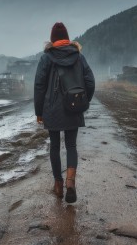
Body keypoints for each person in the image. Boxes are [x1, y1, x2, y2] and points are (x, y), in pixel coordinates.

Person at [34, 22, 95, 203]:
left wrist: (39, 111)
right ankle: (71, 183)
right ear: (67, 38)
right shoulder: (78, 56)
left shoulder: (46, 58)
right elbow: (90, 82)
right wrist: (84, 101)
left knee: (54, 146)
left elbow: (39, 86)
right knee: (71, 146)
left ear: (52, 40)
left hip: (52, 108)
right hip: (74, 106)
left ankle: (58, 186)